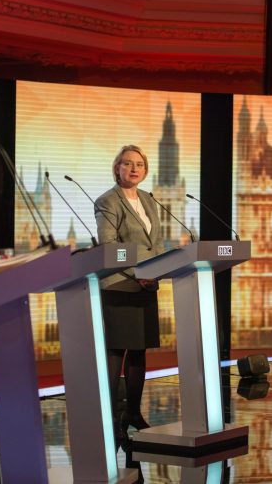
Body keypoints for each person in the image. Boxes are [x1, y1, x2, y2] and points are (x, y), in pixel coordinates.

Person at [94, 145, 164, 442]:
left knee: (138, 353)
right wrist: (141, 271)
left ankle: (133, 413)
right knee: (116, 353)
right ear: (117, 168)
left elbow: (157, 242)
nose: (134, 169)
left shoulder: (149, 200)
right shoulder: (107, 202)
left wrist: (157, 269)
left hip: (146, 285)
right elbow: (109, 246)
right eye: (127, 164)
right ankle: (109, 418)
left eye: (139, 164)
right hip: (120, 284)